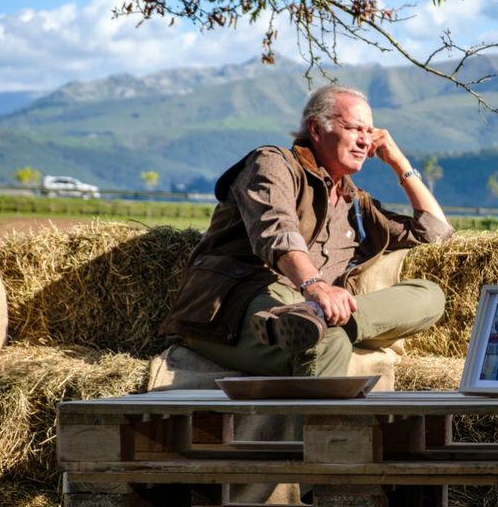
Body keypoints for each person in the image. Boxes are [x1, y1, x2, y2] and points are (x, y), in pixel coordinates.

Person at [160, 84, 454, 377]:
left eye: (370, 132)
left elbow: (435, 234)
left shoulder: (355, 202)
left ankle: (321, 319)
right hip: (237, 307)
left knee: (430, 294)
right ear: (316, 128)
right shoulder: (272, 164)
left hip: (311, 312)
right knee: (326, 344)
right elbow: (277, 233)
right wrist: (316, 286)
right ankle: (318, 325)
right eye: (354, 129)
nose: (365, 141)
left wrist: (399, 162)